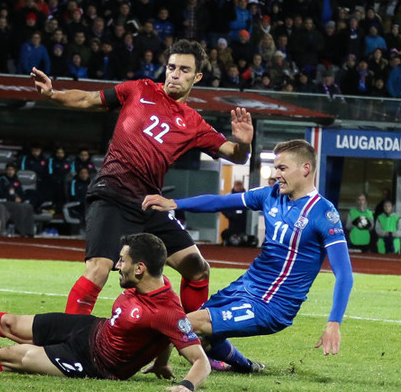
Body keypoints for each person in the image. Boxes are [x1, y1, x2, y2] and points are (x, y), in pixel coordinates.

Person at [30, 39, 253, 318]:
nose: (175, 74)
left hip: (149, 203)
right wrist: (52, 94)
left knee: (198, 268)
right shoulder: (140, 89)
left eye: (184, 70)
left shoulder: (194, 123)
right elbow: (88, 99)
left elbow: (237, 155)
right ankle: (66, 338)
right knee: (98, 269)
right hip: (112, 194)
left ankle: (192, 333)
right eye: (171, 67)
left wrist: (244, 144)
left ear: (197, 77)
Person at [0, 233, 210, 391]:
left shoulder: (167, 310)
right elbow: (164, 336)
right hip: (89, 329)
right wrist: (161, 363)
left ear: (140, 268)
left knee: (13, 355)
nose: (117, 265)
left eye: (123, 261)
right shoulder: (148, 284)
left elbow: (200, 361)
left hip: (94, 364)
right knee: (8, 322)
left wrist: (186, 387)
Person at [142, 139, 354, 372]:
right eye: (276, 168)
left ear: (305, 169)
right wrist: (174, 203)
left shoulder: (324, 213)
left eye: (282, 168)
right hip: (244, 287)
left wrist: (334, 323)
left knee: (186, 324)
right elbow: (220, 202)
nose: (276, 175)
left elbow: (344, 274)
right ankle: (246, 366)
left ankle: (128, 364)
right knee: (198, 333)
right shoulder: (270, 195)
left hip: (272, 304)